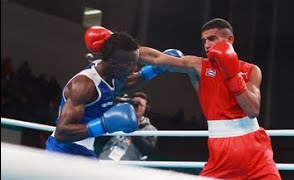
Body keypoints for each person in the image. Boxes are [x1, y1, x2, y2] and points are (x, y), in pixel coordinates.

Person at [137, 18, 281, 179]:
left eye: (212, 38)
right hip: (221, 152)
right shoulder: (198, 66)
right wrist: (117, 43)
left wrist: (232, 75)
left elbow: (253, 110)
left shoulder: (251, 70)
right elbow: (156, 57)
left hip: (257, 153)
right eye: (204, 40)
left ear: (229, 40)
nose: (206, 44)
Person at [45, 27, 140, 159]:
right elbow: (62, 133)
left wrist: (156, 69)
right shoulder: (84, 85)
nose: (135, 69)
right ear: (113, 63)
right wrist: (103, 125)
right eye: (131, 64)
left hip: (85, 149)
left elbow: (130, 83)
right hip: (64, 150)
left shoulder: (110, 78)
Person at [95, 92, 157, 161]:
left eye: (141, 105)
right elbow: (100, 140)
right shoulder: (118, 118)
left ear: (146, 108)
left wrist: (133, 130)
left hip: (127, 167)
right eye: (135, 104)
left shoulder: (150, 129)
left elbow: (148, 150)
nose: (137, 107)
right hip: (106, 161)